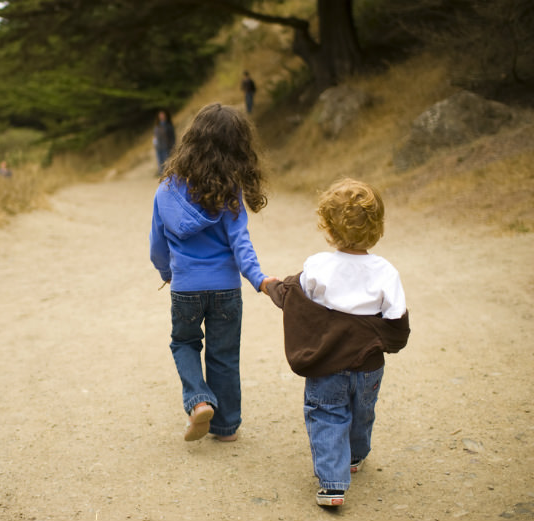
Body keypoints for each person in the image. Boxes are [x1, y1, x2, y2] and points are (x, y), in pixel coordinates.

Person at [266, 178, 410, 507]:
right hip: (369, 366)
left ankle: (333, 484)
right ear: (378, 227)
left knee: (328, 414)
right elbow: (397, 322)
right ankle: (356, 456)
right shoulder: (386, 271)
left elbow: (293, 296)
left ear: (327, 226)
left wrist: (270, 287)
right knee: (362, 411)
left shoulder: (318, 266)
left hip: (327, 362)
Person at [149, 103, 276, 443]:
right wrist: (259, 279)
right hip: (225, 290)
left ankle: (198, 400)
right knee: (224, 356)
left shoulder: (165, 191)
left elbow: (156, 246)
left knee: (184, 344)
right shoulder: (228, 192)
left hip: (185, 288)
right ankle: (226, 427)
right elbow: (241, 243)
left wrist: (167, 273)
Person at [152, 110, 176, 175]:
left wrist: (173, 147)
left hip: (166, 147)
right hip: (158, 147)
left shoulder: (169, 126)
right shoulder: (157, 126)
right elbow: (155, 136)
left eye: (162, 115)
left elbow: (173, 137)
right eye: (160, 115)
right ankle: (161, 174)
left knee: (166, 162)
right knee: (160, 162)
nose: (161, 116)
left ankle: (166, 175)